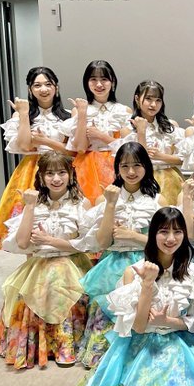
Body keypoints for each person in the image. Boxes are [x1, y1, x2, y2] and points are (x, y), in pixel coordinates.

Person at [30, 207, 194, 386]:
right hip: (141, 345)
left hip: (179, 345)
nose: (171, 238)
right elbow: (138, 327)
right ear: (152, 234)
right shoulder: (134, 271)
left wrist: (167, 321)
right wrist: (148, 285)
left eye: (177, 232)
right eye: (163, 231)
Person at [0, 152, 92, 369]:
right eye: (50, 173)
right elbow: (22, 243)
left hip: (72, 262)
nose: (56, 178)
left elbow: (86, 245)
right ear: (41, 176)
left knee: (59, 280)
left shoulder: (81, 204)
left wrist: (50, 241)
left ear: (70, 175)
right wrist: (29, 206)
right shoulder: (34, 204)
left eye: (61, 172)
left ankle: (65, 346)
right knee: (31, 290)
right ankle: (41, 346)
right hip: (39, 263)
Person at [78, 142, 165, 367]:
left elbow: (167, 244)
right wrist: (110, 204)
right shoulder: (105, 198)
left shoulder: (157, 201)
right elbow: (102, 242)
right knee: (105, 307)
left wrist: (133, 236)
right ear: (117, 168)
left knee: (142, 310)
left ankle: (134, 359)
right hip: (112, 264)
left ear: (146, 166)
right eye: (124, 166)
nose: (131, 172)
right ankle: (106, 359)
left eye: (137, 165)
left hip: (146, 263)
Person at [0, 66, 72, 247]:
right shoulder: (21, 115)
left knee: (62, 221)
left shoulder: (68, 117)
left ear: (56, 87)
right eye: (37, 85)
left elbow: (71, 152)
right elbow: (25, 145)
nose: (43, 89)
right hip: (32, 171)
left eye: (48, 84)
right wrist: (24, 114)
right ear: (30, 89)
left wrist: (44, 141)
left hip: (61, 169)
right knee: (31, 223)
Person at [60, 60, 132, 204]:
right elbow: (80, 148)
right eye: (93, 79)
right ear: (86, 83)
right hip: (87, 166)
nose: (99, 84)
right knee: (87, 207)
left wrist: (100, 136)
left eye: (104, 79)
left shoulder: (123, 111)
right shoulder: (79, 109)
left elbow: (129, 148)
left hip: (117, 165)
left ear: (112, 82)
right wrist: (82, 113)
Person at [119, 80, 185, 205]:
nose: (153, 104)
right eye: (148, 99)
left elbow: (183, 160)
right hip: (141, 180)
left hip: (171, 179)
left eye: (158, 100)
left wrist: (161, 156)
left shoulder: (171, 126)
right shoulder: (127, 129)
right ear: (137, 99)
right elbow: (139, 161)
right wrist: (141, 132)